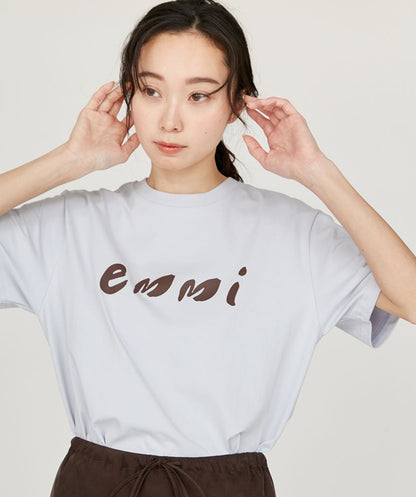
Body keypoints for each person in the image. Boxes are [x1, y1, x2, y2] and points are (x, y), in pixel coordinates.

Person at [0, 0, 414, 496]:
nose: (170, 120)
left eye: (198, 96)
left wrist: (318, 173)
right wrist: (70, 160)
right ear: (128, 95)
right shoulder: (71, 225)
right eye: (151, 91)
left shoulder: (292, 233)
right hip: (96, 483)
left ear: (236, 104)